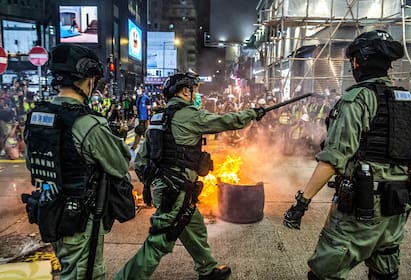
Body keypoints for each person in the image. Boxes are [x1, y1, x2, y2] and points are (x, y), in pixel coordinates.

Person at [283, 29, 411, 280]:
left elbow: (334, 158)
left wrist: (301, 203)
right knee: (384, 270)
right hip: (396, 204)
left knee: (324, 271)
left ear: (359, 62)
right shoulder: (408, 101)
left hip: (362, 207)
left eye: (352, 61)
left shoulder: (356, 100)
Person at [114, 72, 266, 280]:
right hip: (176, 191)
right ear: (185, 91)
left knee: (194, 226)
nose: (197, 95)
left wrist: (153, 185)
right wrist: (252, 114)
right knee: (159, 240)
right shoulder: (190, 115)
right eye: (195, 90)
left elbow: (140, 161)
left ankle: (207, 269)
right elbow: (225, 121)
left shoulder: (157, 118)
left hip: (167, 189)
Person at [23, 44, 131, 280]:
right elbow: (121, 163)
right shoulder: (87, 124)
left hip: (50, 210)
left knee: (67, 269)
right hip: (80, 219)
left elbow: (31, 163)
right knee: (84, 274)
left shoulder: (37, 116)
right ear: (89, 80)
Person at [131, 86, 151, 151]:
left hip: (145, 119)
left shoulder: (146, 98)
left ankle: (148, 148)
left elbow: (148, 109)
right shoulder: (137, 98)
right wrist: (134, 117)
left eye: (139, 89)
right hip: (139, 118)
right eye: (137, 89)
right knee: (138, 132)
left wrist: (148, 119)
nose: (138, 90)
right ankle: (134, 148)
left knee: (145, 133)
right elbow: (135, 108)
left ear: (142, 90)